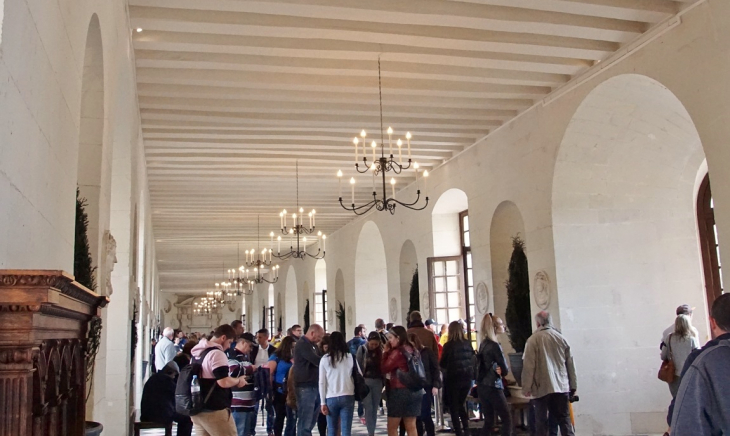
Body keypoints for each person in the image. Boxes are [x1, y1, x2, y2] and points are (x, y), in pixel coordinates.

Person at [670, 293, 730, 435]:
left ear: (712, 322)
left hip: (682, 375)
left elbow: (687, 424)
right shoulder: (693, 334)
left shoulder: (703, 360)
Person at [522, 311, 577, 436]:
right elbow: (570, 365)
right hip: (561, 386)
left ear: (537, 323)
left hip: (541, 387)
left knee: (541, 422)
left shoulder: (532, 340)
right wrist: (573, 386)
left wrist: (526, 387)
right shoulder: (561, 338)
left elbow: (529, 366)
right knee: (564, 420)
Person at [190, 324, 249, 436]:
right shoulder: (217, 353)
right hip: (214, 410)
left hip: (197, 408)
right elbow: (223, 381)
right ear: (223, 338)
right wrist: (238, 381)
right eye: (230, 342)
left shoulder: (197, 352)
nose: (228, 346)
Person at [382, 325, 424, 436]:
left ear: (398, 338)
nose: (389, 341)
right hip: (415, 391)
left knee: (392, 427)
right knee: (411, 426)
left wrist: (385, 352)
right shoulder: (413, 349)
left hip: (399, 391)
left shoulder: (397, 352)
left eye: (391, 338)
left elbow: (384, 368)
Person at [476, 314, 511, 436]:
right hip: (493, 386)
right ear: (495, 327)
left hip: (482, 385)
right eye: (500, 324)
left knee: (489, 421)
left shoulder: (483, 344)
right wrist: (502, 370)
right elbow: (505, 370)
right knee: (507, 419)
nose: (503, 326)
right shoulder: (495, 345)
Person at [440, 321, 475, 436]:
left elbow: (443, 363)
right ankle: (466, 428)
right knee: (460, 404)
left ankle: (459, 431)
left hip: (453, 379)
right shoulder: (467, 343)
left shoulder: (448, 345)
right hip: (467, 379)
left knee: (454, 407)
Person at [140, 361, 193, 436]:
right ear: (170, 372)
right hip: (160, 415)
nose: (174, 377)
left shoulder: (154, 378)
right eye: (174, 375)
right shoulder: (167, 381)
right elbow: (176, 399)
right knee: (187, 419)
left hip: (146, 414)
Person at [319, 331, 356, 436]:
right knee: (346, 430)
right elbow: (359, 374)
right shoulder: (350, 357)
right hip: (348, 394)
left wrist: (322, 402)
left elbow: (322, 382)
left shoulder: (325, 359)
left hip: (331, 397)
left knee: (332, 429)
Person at [293, 324, 325, 436]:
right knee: (305, 420)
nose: (320, 340)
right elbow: (317, 360)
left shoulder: (313, 345)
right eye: (319, 337)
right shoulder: (302, 345)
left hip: (314, 386)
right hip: (305, 387)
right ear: (312, 333)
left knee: (312, 419)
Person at [408, 333, 440, 436]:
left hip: (426, 385)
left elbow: (435, 369)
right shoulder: (408, 355)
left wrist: (436, 385)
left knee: (425, 414)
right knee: (416, 416)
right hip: (413, 387)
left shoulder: (427, 352)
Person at [660, 314, 700, 399]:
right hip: (689, 374)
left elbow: (663, 356)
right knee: (689, 400)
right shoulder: (692, 340)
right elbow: (698, 356)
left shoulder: (669, 338)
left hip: (673, 374)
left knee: (676, 400)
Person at [228, 333, 258, 436]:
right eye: (250, 346)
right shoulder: (232, 354)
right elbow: (232, 371)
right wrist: (251, 369)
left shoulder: (244, 357)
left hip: (248, 403)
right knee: (238, 432)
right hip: (238, 403)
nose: (251, 349)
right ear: (243, 342)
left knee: (246, 432)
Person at [356, 332, 385, 436]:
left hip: (378, 381)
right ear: (368, 342)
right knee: (368, 407)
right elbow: (358, 366)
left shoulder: (381, 351)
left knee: (375, 407)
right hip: (365, 381)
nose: (373, 346)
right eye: (372, 344)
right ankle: (371, 432)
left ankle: (372, 428)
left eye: (376, 344)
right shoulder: (362, 349)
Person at [268, 337, 297, 436]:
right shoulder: (276, 356)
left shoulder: (295, 357)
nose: (294, 348)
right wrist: (270, 391)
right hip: (279, 392)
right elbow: (269, 373)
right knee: (280, 416)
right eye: (292, 346)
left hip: (292, 392)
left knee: (292, 418)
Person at [251, 329, 277, 436]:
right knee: (254, 406)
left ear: (267, 337)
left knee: (270, 406)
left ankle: (270, 429)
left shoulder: (274, 350)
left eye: (260, 337)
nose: (257, 339)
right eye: (257, 337)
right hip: (256, 379)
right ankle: (251, 430)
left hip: (268, 380)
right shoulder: (253, 349)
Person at [347, 326, 368, 424]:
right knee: (361, 390)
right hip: (361, 371)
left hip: (350, 371)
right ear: (360, 332)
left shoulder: (348, 343)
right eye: (364, 331)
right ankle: (361, 413)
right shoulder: (364, 343)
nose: (365, 333)